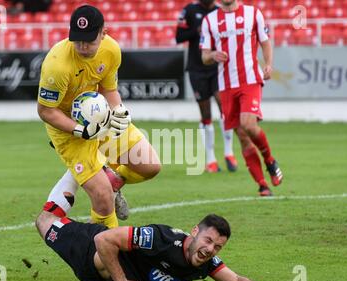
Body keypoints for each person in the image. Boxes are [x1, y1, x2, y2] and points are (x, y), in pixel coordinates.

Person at [37, 5, 161, 228]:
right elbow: (46, 111)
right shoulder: (57, 65)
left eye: (89, 41)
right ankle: (104, 255)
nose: (83, 46)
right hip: (68, 130)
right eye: (78, 40)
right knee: (103, 199)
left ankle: (112, 180)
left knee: (150, 166)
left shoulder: (111, 50)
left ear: (103, 33)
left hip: (102, 117)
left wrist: (119, 111)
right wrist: (80, 130)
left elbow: (109, 89)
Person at [35, 210, 282, 281]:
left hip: (98, 278)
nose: (209, 250)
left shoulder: (205, 262)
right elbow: (103, 239)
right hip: (87, 250)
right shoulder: (162, 239)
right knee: (44, 221)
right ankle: (77, 171)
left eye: (217, 247)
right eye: (207, 240)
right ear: (194, 232)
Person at [200, 0, 283, 196]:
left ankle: (269, 160)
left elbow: (265, 41)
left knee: (248, 124)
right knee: (243, 138)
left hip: (250, 80)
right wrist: (213, 54)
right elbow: (204, 57)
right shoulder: (210, 20)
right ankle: (262, 185)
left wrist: (269, 64)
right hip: (226, 86)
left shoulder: (253, 13)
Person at [175, 0, 238, 173]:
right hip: (196, 69)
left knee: (225, 108)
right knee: (206, 114)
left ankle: (228, 152)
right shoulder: (189, 10)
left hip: (217, 68)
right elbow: (178, 37)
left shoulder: (221, 11)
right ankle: (210, 158)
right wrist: (196, 32)